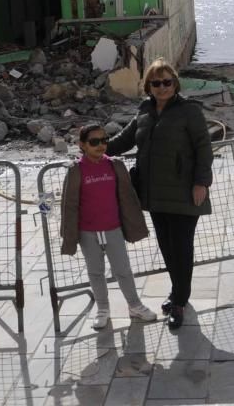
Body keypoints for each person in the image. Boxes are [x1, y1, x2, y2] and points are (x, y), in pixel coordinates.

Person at [106, 57, 214, 330]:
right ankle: (177, 292)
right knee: (167, 246)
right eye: (157, 83)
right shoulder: (145, 110)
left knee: (182, 247)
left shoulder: (188, 110)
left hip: (184, 192)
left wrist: (201, 182)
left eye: (167, 82)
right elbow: (123, 141)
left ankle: (179, 300)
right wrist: (95, 149)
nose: (162, 87)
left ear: (175, 83)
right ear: (149, 86)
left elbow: (204, 147)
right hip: (154, 194)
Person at [59, 124, 157, 329]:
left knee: (123, 270)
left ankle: (135, 305)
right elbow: (69, 205)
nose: (101, 145)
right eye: (94, 142)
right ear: (82, 145)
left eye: (104, 140)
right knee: (95, 272)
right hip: (88, 232)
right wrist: (70, 236)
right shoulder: (76, 170)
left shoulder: (114, 165)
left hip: (113, 229)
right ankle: (103, 309)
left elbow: (127, 197)